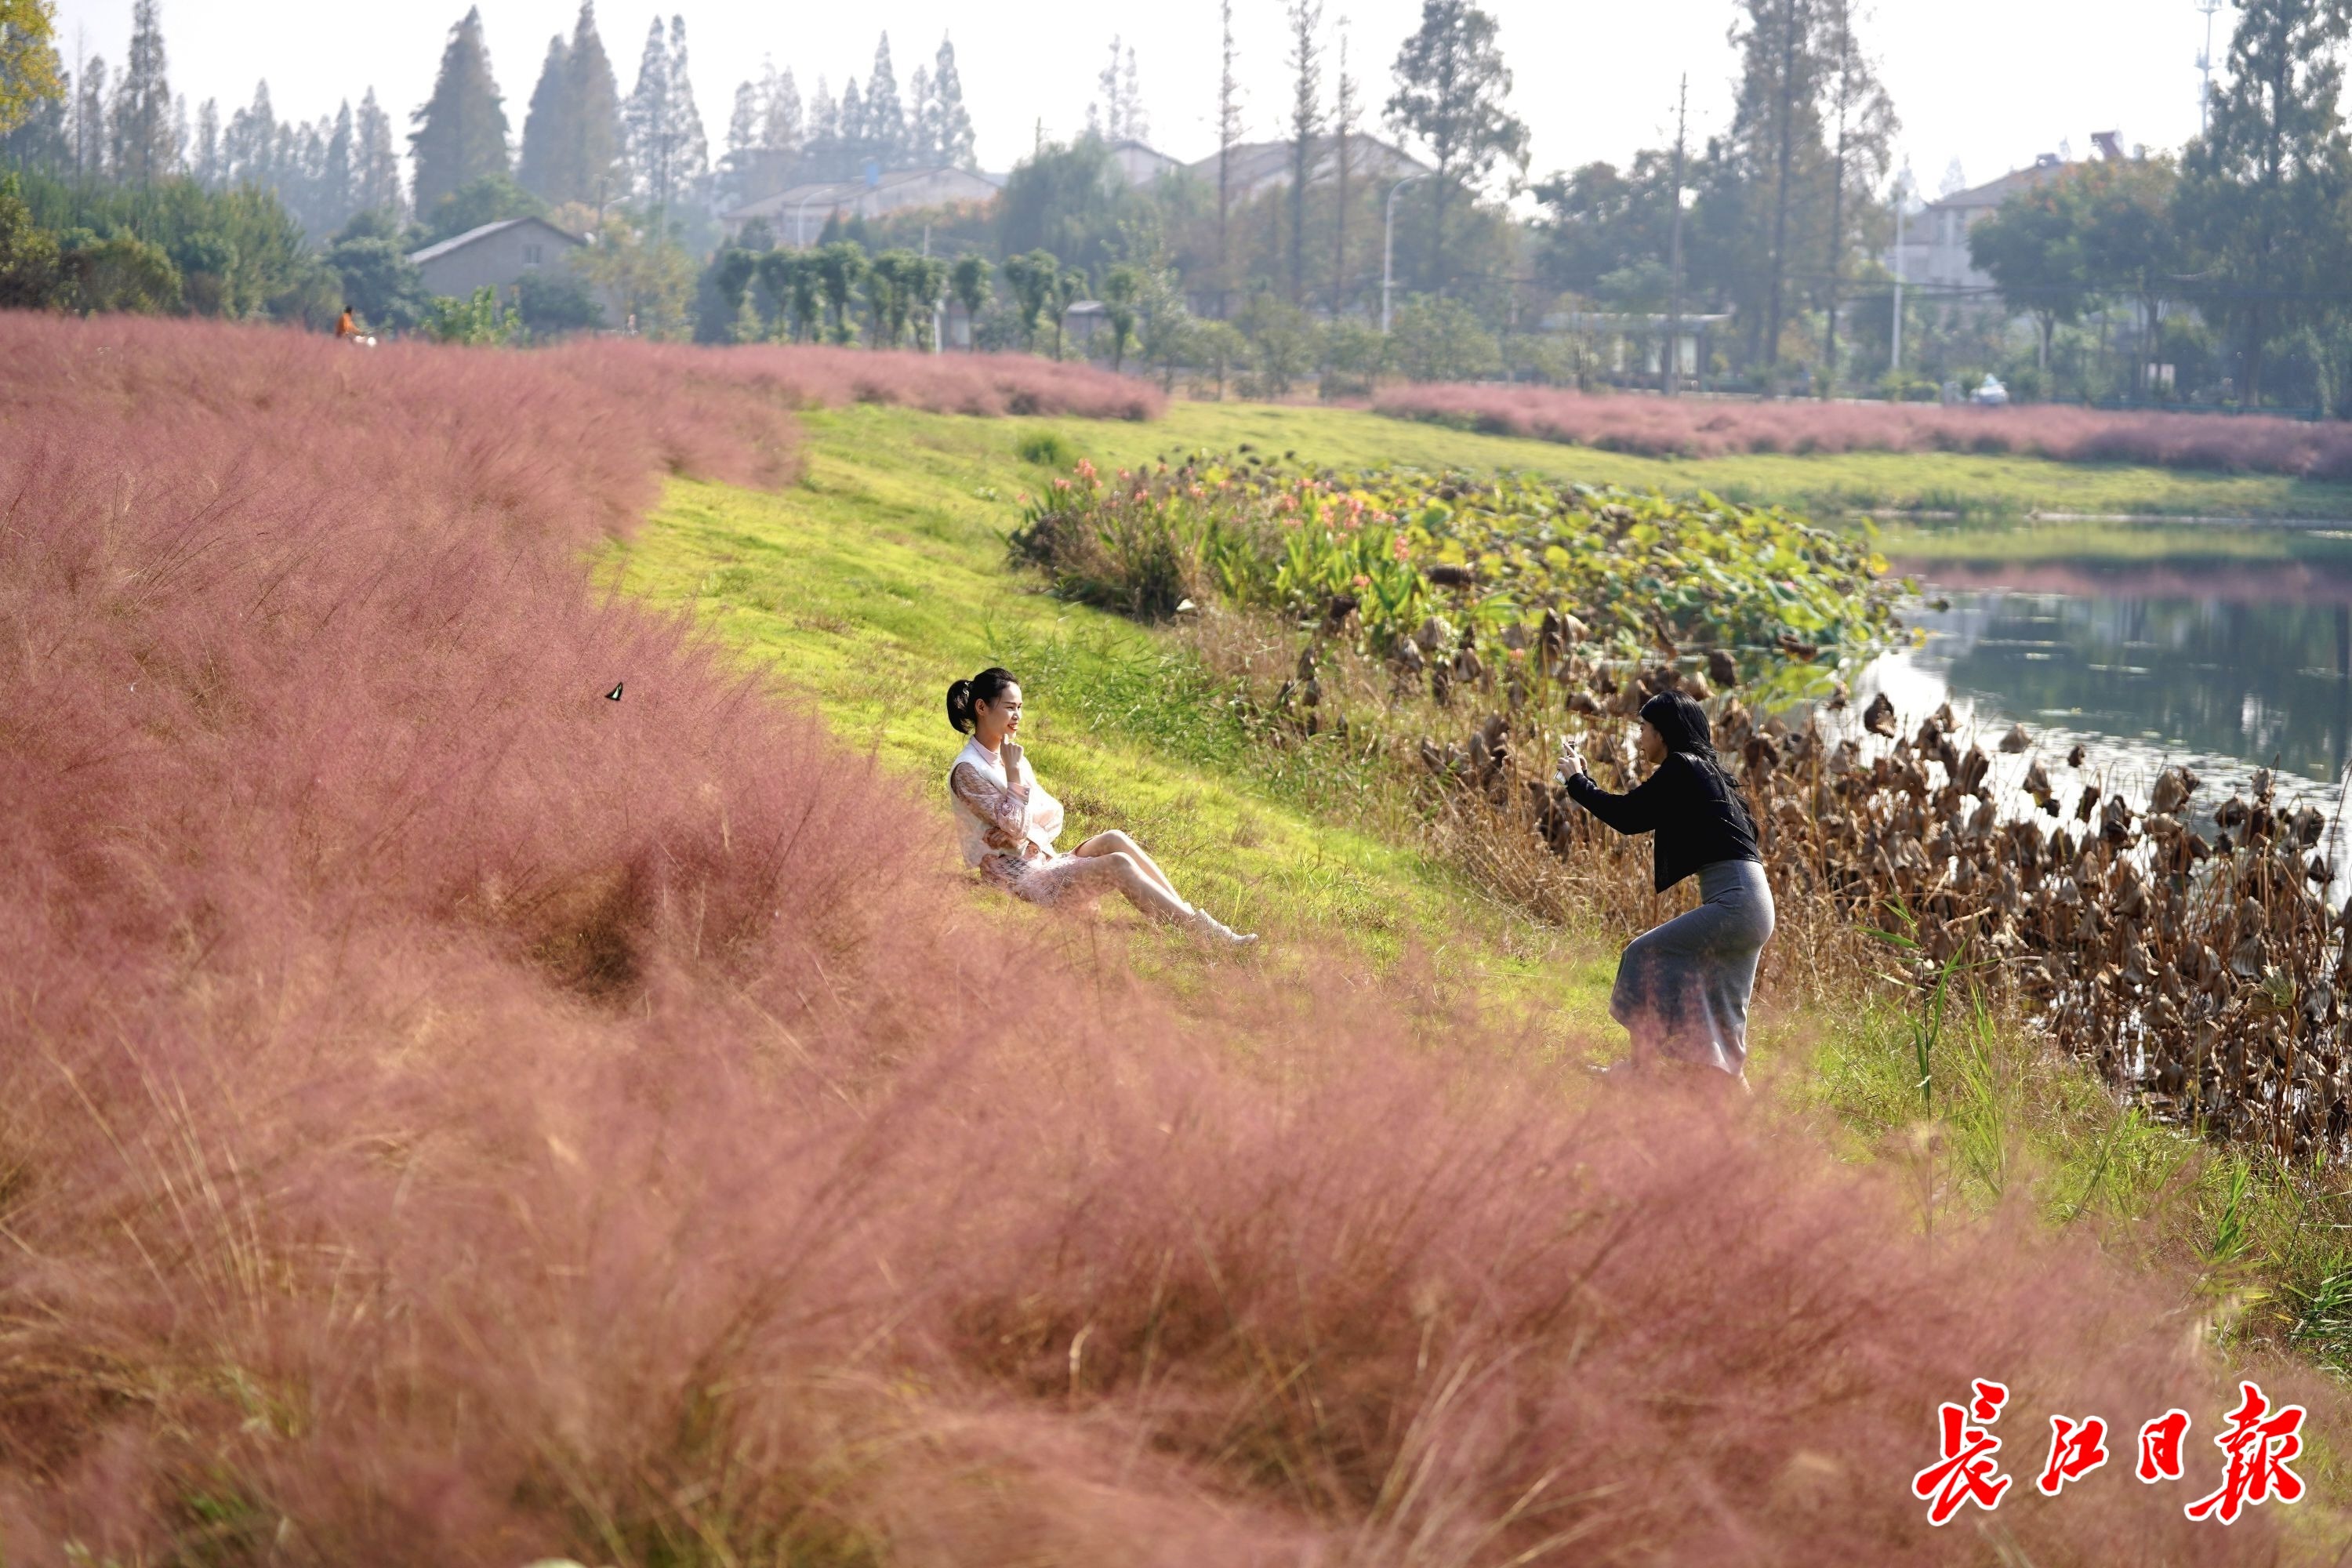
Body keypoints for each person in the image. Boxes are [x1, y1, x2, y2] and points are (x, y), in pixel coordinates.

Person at [1558, 690, 1773, 1090]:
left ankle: (1640, 1073)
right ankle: (1733, 1100)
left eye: (1643, 729)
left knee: (1645, 954)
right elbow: (1640, 811)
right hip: (1755, 904)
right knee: (1723, 1005)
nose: (1640, 739)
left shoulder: (1683, 767)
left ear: (1663, 733)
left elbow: (1627, 816)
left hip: (1737, 902)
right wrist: (1584, 783)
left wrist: (1577, 782)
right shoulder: (1703, 770)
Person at [946, 667, 1256, 945]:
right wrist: (1017, 813)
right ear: (982, 707)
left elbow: (1052, 816)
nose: (1018, 716)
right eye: (1010, 707)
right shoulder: (969, 770)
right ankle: (1199, 933)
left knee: (1114, 838)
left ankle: (1190, 919)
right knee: (1119, 863)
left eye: (1021, 708)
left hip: (1043, 864)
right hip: (1019, 882)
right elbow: (1018, 824)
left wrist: (1018, 833)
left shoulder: (1013, 756)